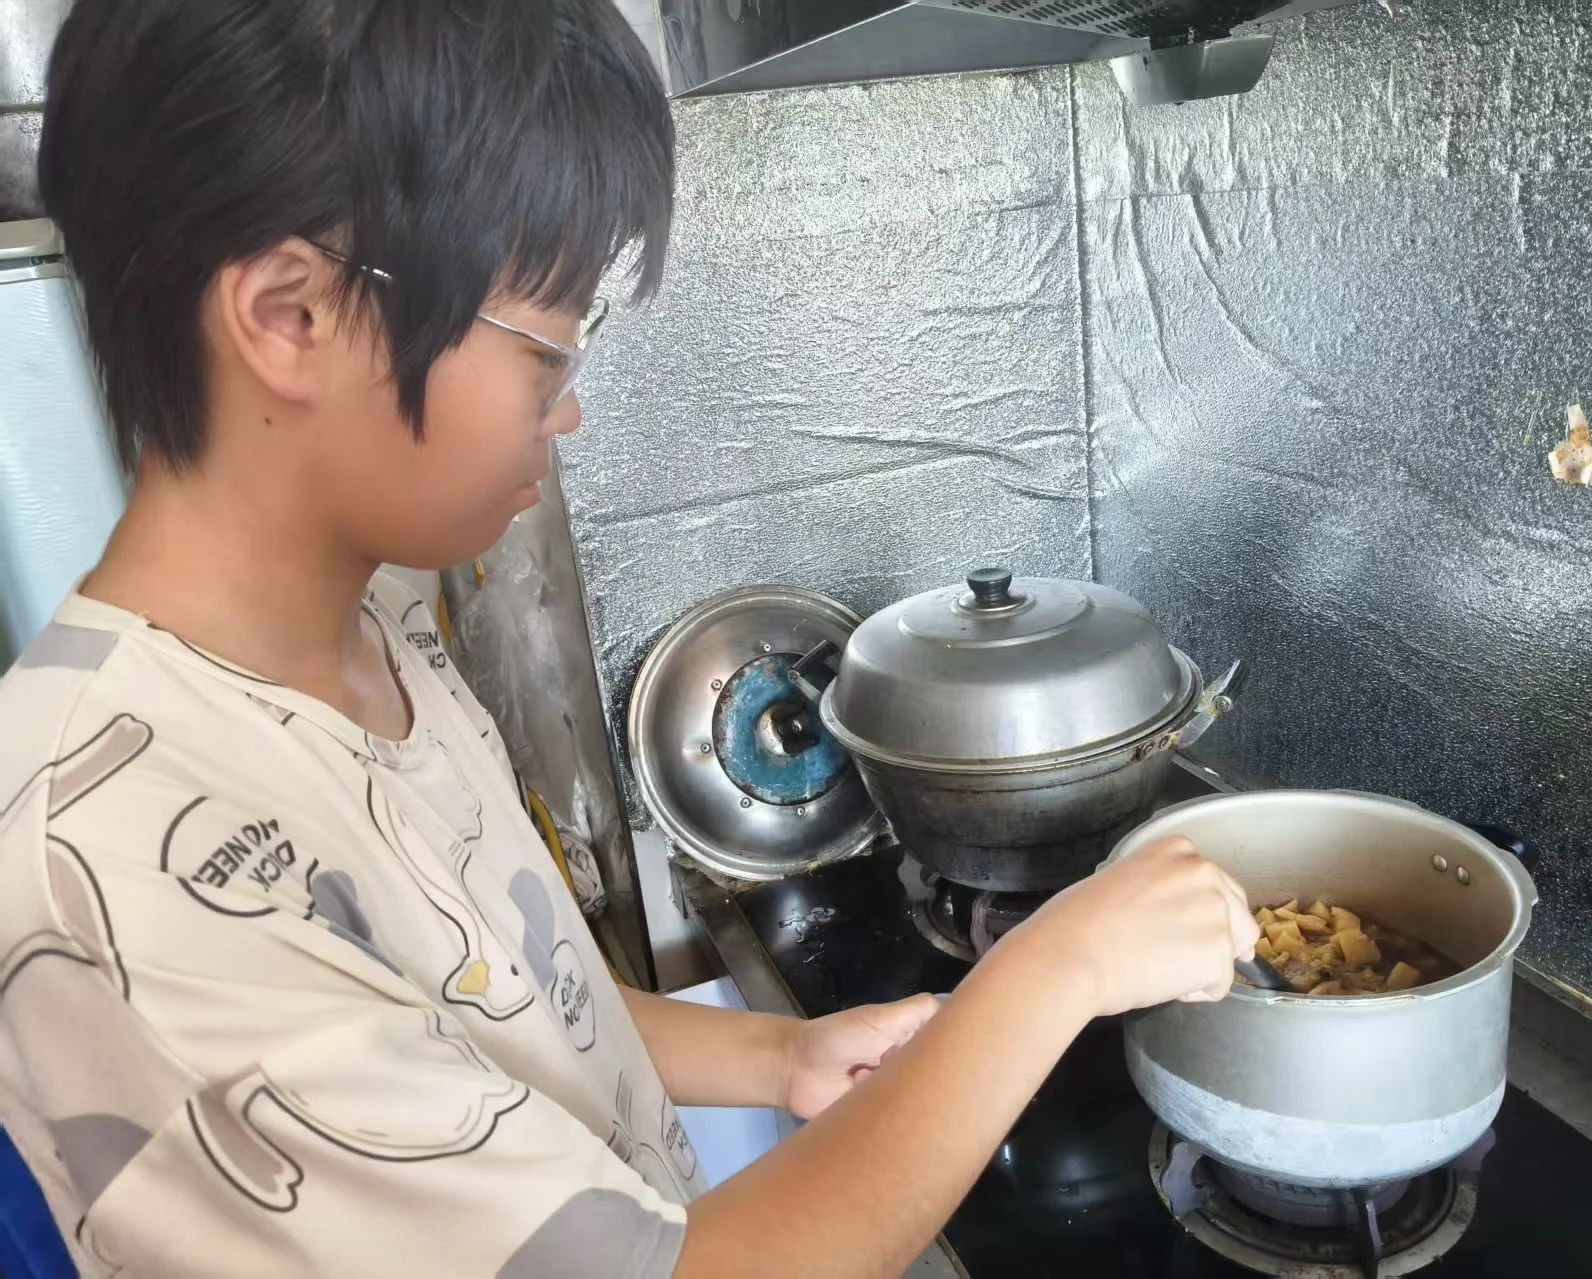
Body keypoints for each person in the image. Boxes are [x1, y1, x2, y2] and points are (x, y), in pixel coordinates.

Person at [0, 2, 1261, 1275]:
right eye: (545, 347)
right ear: (292, 316)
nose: (566, 409)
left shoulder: (375, 635)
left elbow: (501, 1007)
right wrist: (1049, 966)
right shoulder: (113, 857)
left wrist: (779, 1053)